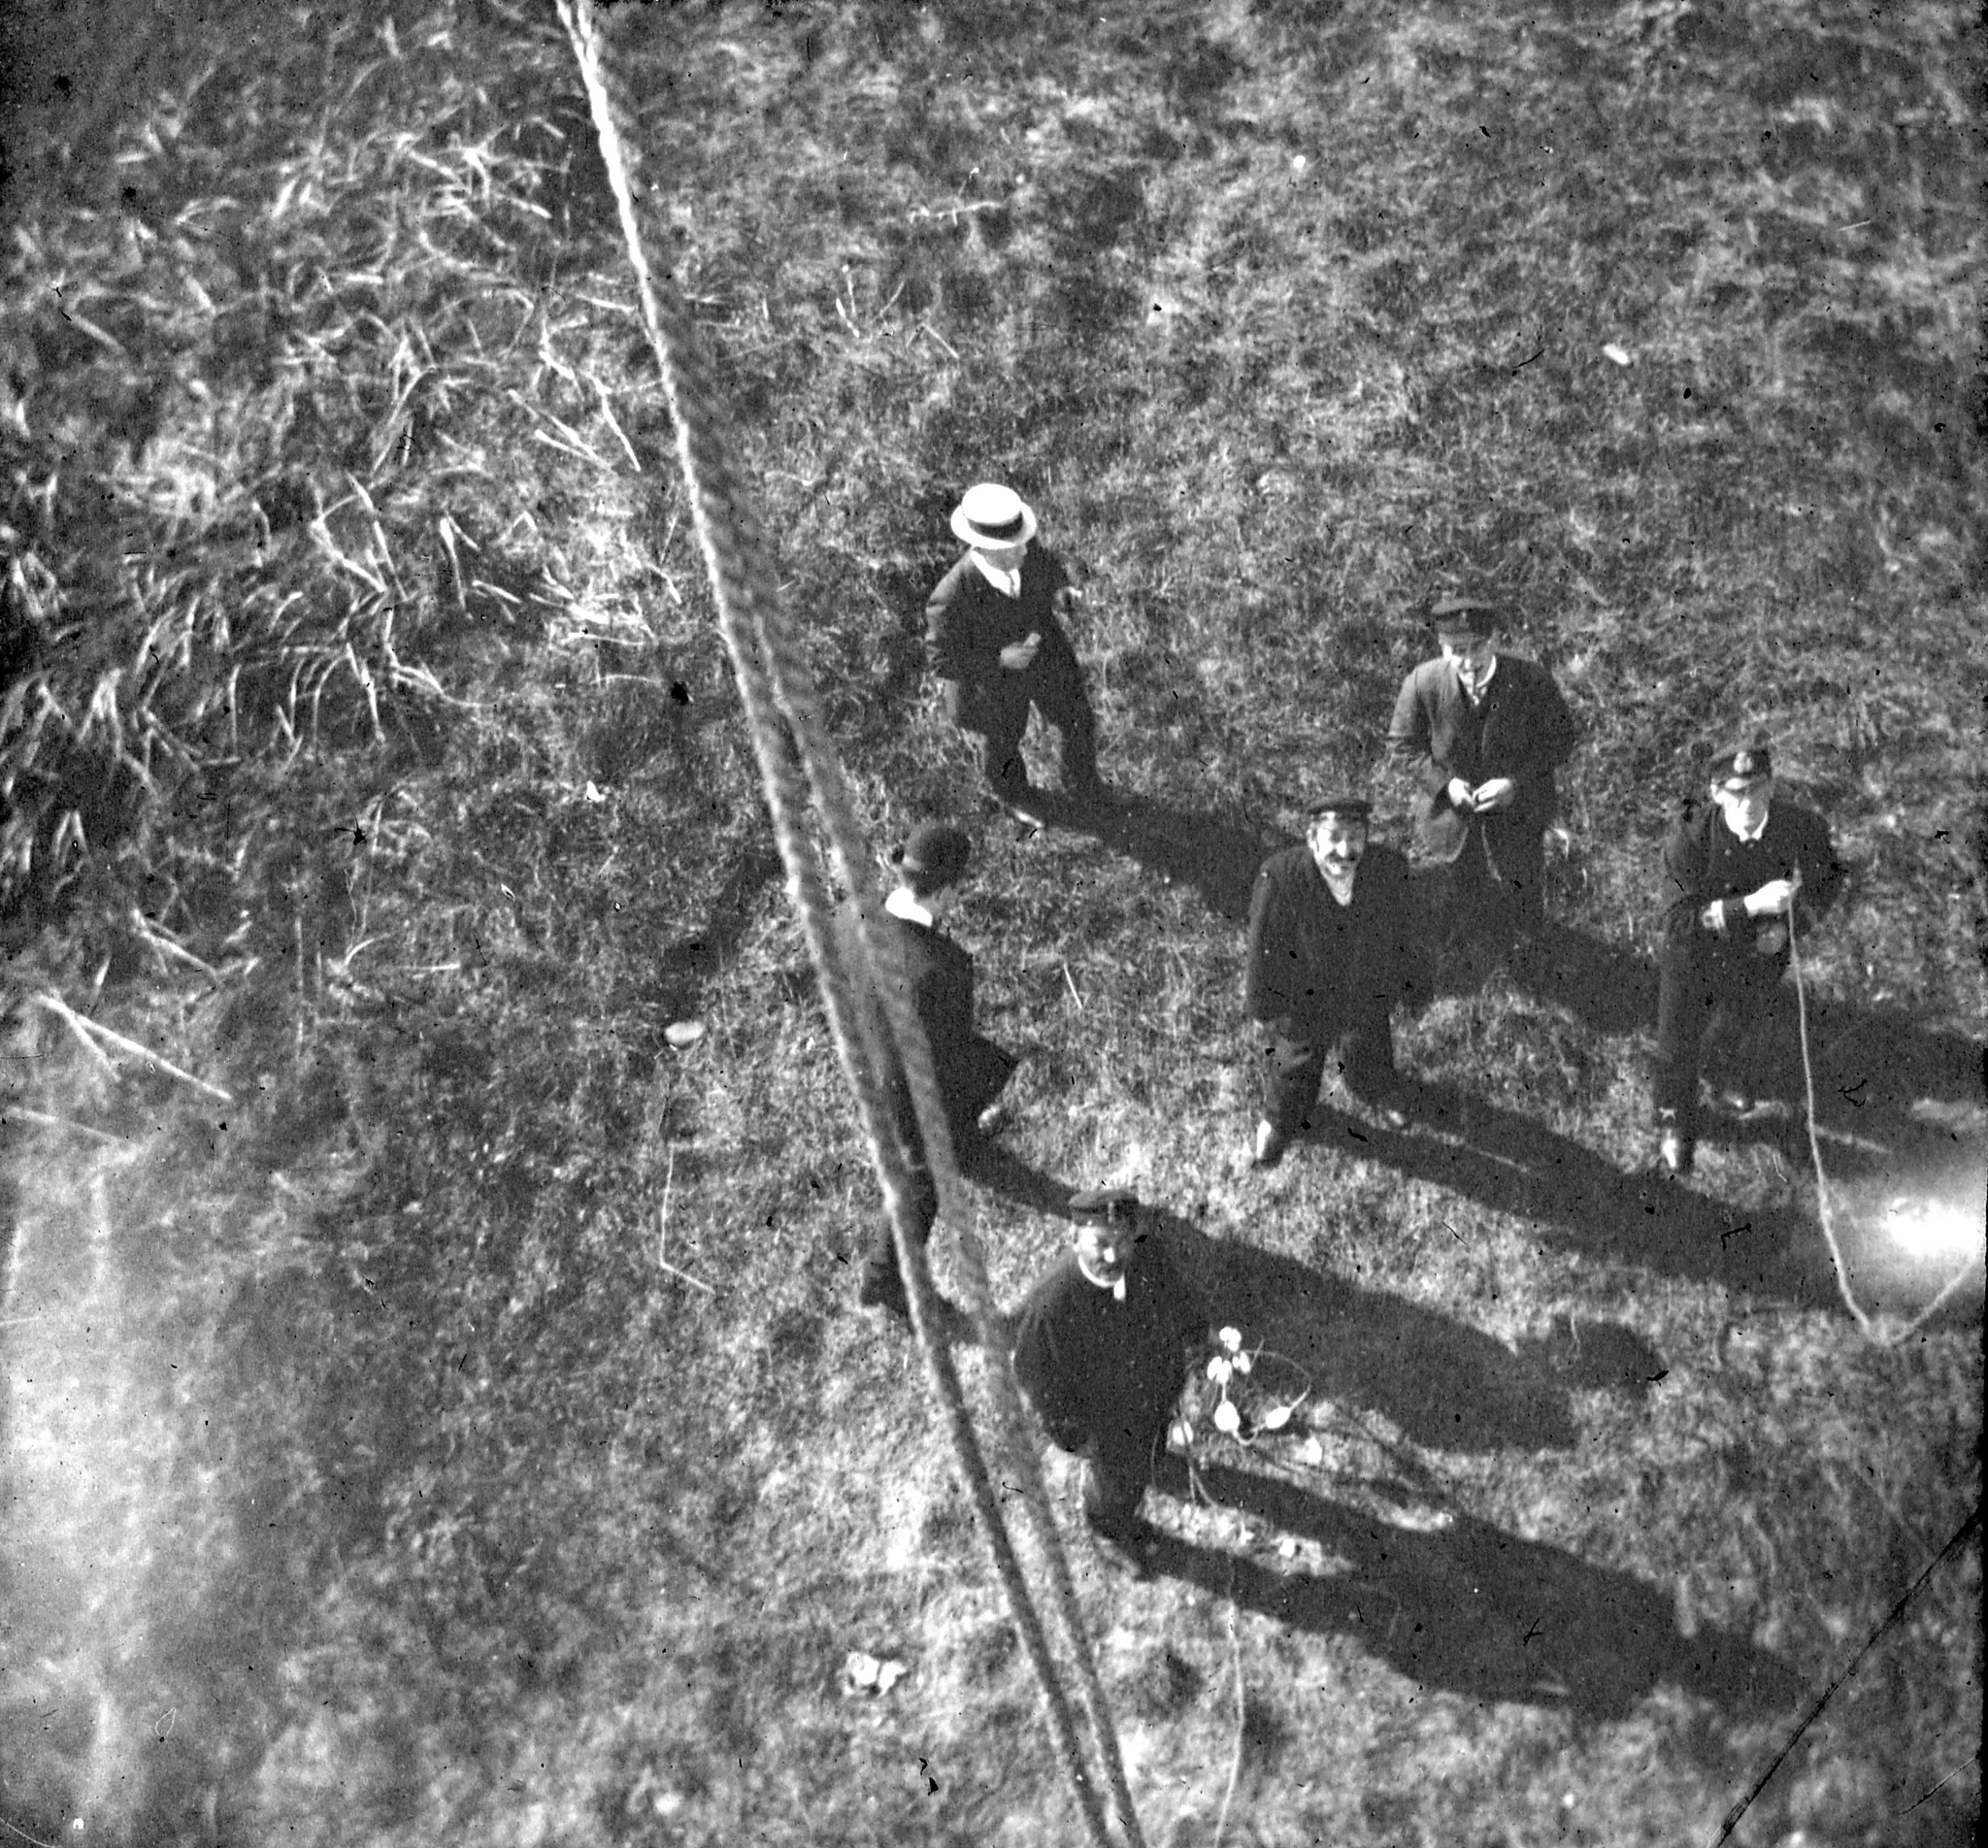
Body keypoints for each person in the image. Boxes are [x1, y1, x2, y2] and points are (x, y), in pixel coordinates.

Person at [839, 822, 1018, 1317]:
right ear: (946, 891)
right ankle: (885, 1280)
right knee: (923, 1178)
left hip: (867, 1060)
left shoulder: (850, 914)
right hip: (907, 1089)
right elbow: (952, 1055)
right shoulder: (944, 966)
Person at [1652, 742, 1845, 1173]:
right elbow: (1677, 922)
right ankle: (1673, 1120)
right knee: (1676, 1043)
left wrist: (1792, 926)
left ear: (1771, 787)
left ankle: (1724, 1073)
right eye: (1736, 793)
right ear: (1717, 794)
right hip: (1693, 955)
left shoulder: (1799, 825)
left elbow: (1828, 879)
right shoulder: (1690, 834)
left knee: (1740, 1018)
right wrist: (1753, 907)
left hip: (1757, 954)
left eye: (1757, 790)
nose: (1748, 804)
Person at [1011, 1188, 1210, 1555]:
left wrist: (1197, 1334)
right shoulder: (1050, 1307)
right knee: (1117, 1483)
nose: (1113, 1255)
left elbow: (1177, 1297)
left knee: (1152, 1443)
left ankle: (1151, 1460)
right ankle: (1110, 1524)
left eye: (1122, 1241)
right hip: (1107, 1424)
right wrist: (1074, 1437)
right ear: (1074, 1239)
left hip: (1157, 1388)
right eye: (1100, 1242)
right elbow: (1038, 1380)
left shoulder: (1148, 1257)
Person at [1386, 596, 1579, 959]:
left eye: (1478, 647)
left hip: (1518, 812)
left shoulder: (1530, 680)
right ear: (1441, 647)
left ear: (1494, 640)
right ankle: (1471, 946)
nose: (1469, 660)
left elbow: (1561, 740)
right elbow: (1402, 746)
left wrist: (1516, 784)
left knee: (1521, 878)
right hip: (1452, 816)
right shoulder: (1422, 683)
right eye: (1457, 650)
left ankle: (1527, 945)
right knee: (1461, 882)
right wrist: (1445, 785)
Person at [1242, 796, 1429, 1169]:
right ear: (1312, 839)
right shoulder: (1279, 877)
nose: (1345, 850)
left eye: (1356, 837)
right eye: (1333, 837)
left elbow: (1408, 933)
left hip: (1363, 988)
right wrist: (1262, 1005)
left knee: (1369, 1046)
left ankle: (1377, 1089)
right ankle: (1278, 1123)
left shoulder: (1389, 869)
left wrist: (1413, 984)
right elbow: (1261, 950)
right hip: (1304, 999)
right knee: (1294, 1067)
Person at [925, 482, 1105, 824]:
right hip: (991, 684)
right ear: (985, 549)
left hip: (1043, 651)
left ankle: (1083, 785)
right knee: (1003, 742)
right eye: (1013, 549)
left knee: (1076, 715)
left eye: (1024, 543)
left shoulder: (1021, 546)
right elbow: (941, 658)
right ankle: (1020, 799)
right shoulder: (950, 598)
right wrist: (998, 659)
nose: (1024, 553)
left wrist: (1058, 589)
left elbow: (1043, 563)